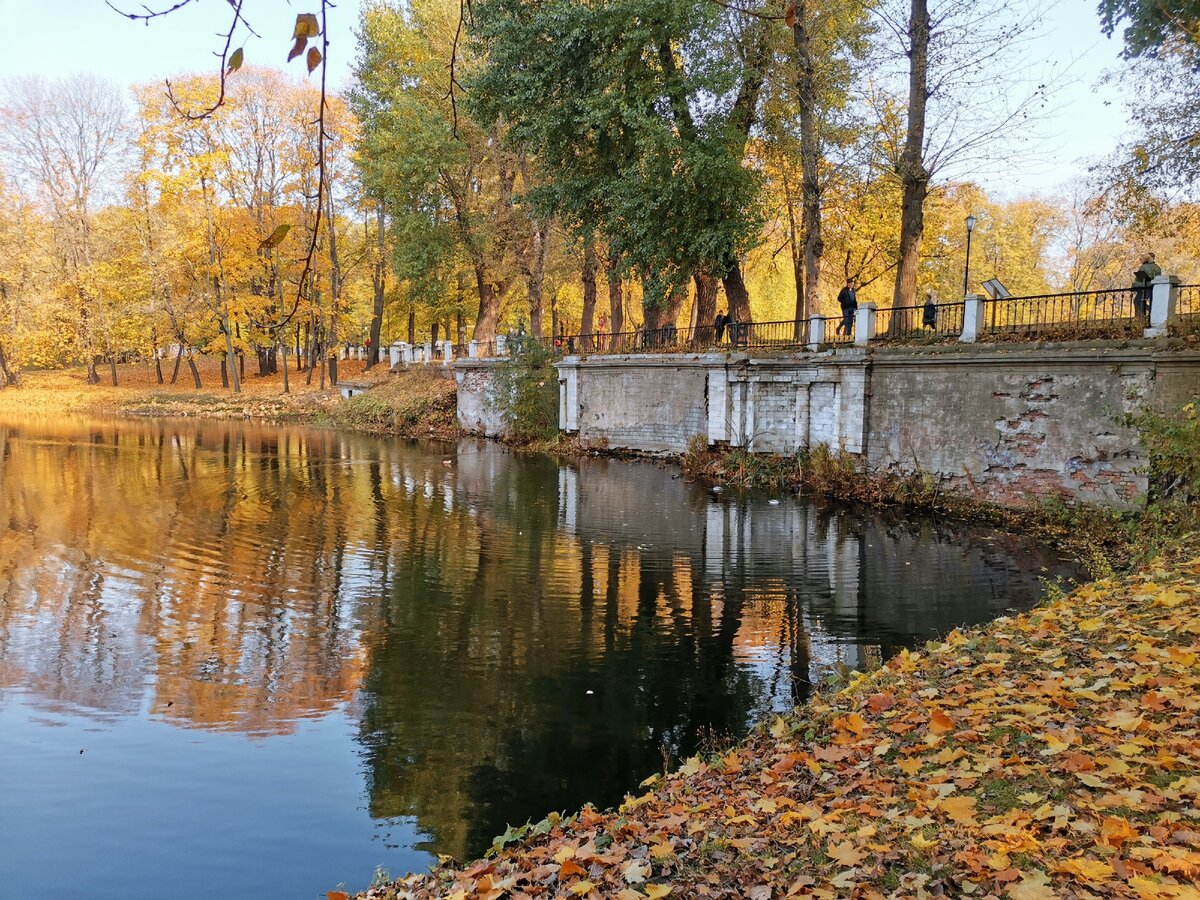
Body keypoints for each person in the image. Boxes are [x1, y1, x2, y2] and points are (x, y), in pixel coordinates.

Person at [1132, 252, 1161, 318]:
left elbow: (1139, 279)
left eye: (1141, 259)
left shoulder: (1143, 267)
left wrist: (1134, 285)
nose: (1140, 260)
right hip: (1154, 288)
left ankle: (1140, 317)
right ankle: (1152, 313)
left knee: (1137, 301)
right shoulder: (1157, 267)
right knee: (1151, 302)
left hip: (1144, 288)